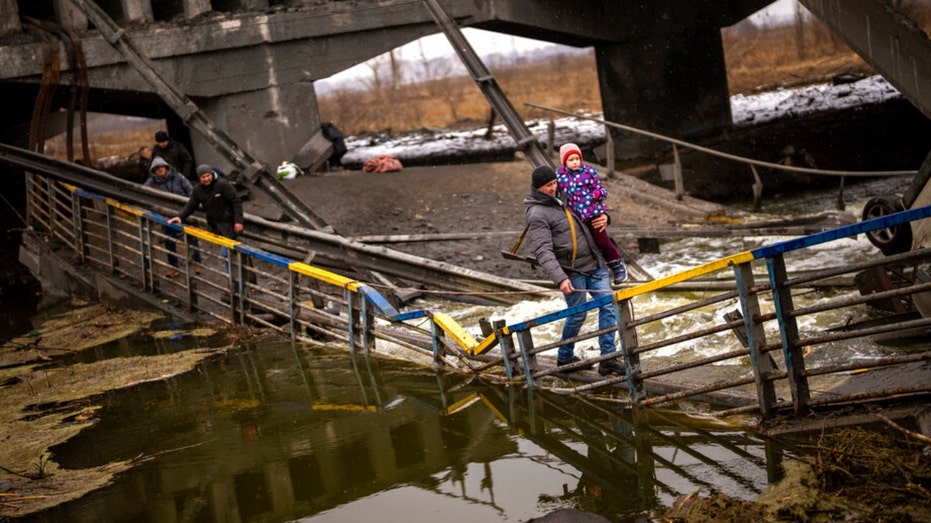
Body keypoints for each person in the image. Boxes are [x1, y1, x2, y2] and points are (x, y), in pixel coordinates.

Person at [524, 165, 624, 376]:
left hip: (595, 264)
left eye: (553, 183)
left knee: (608, 306)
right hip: (572, 271)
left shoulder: (568, 196)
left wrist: (605, 216)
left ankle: (608, 358)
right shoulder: (537, 214)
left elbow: (592, 209)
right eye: (547, 186)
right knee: (578, 315)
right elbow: (543, 251)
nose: (553, 188)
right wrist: (560, 278)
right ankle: (565, 357)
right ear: (537, 188)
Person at [556, 143, 628, 285]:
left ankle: (617, 265)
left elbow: (602, 190)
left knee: (601, 240)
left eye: (577, 158)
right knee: (584, 243)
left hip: (591, 212)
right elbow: (554, 191)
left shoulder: (588, 172)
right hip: (574, 216)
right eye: (571, 160)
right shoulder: (560, 176)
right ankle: (597, 271)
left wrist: (596, 194)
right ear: (564, 162)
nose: (575, 162)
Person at [146, 157, 202, 277]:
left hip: (185, 212)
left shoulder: (179, 177)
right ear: (153, 171)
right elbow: (143, 193)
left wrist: (189, 208)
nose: (160, 170)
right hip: (167, 215)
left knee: (193, 239)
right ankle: (173, 266)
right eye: (157, 169)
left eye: (161, 167)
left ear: (166, 167)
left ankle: (197, 263)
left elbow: (191, 192)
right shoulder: (152, 182)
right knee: (169, 240)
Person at [168, 164, 243, 240]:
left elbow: (236, 202)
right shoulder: (198, 190)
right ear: (199, 178)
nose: (206, 179)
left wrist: (238, 221)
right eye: (203, 177)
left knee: (233, 246)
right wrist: (180, 216)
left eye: (208, 176)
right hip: (213, 224)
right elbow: (191, 205)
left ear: (212, 174)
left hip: (229, 222)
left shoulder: (223, 185)